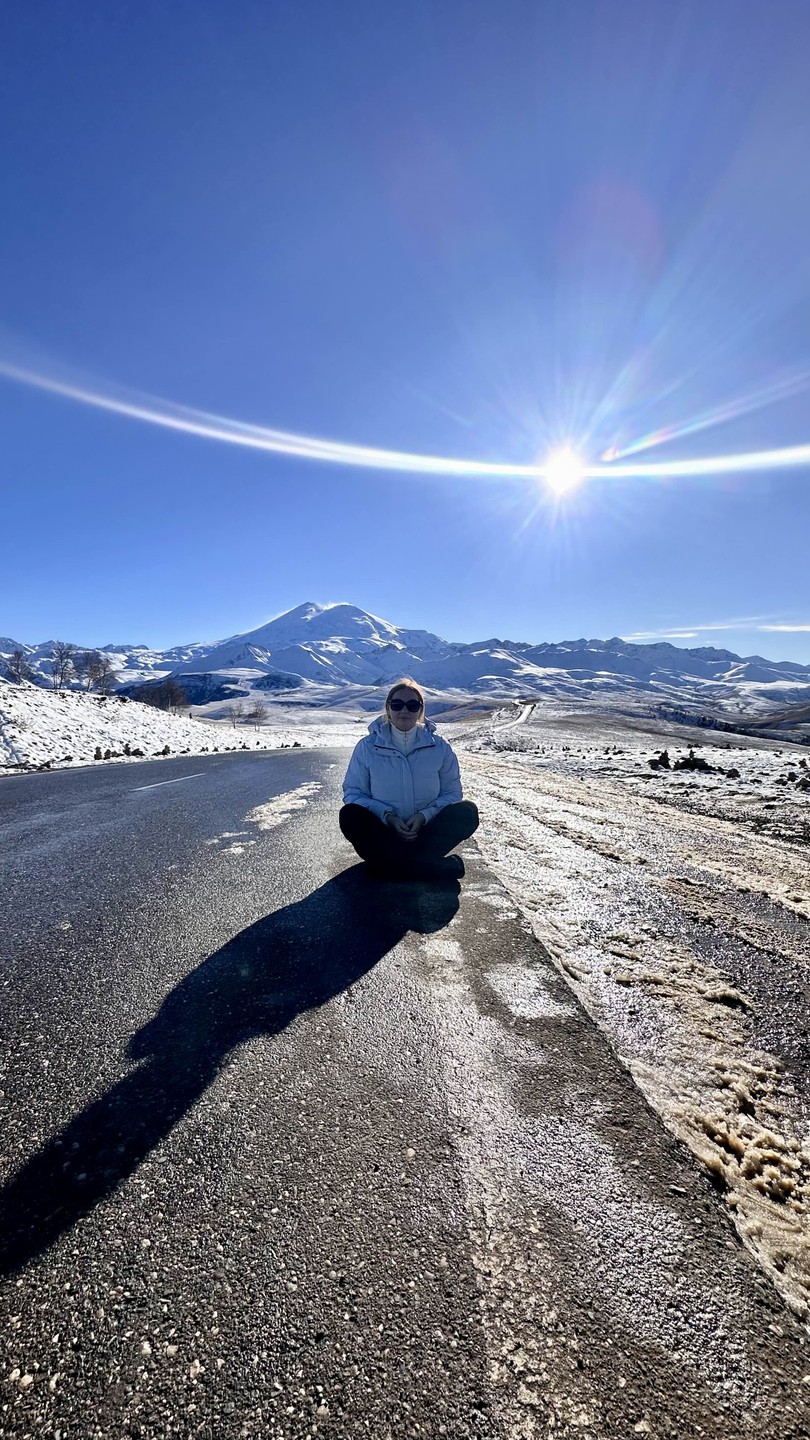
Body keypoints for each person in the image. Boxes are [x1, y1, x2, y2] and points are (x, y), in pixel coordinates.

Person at [339, 678, 479, 879]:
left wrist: (424, 816)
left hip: (426, 833)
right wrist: (387, 817)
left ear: (420, 710)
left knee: (467, 812)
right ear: (388, 708)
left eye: (412, 705)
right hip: (384, 833)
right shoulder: (367, 747)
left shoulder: (439, 747)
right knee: (350, 815)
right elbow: (354, 792)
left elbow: (452, 793)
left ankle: (387, 866)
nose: (404, 710)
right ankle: (431, 866)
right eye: (397, 704)